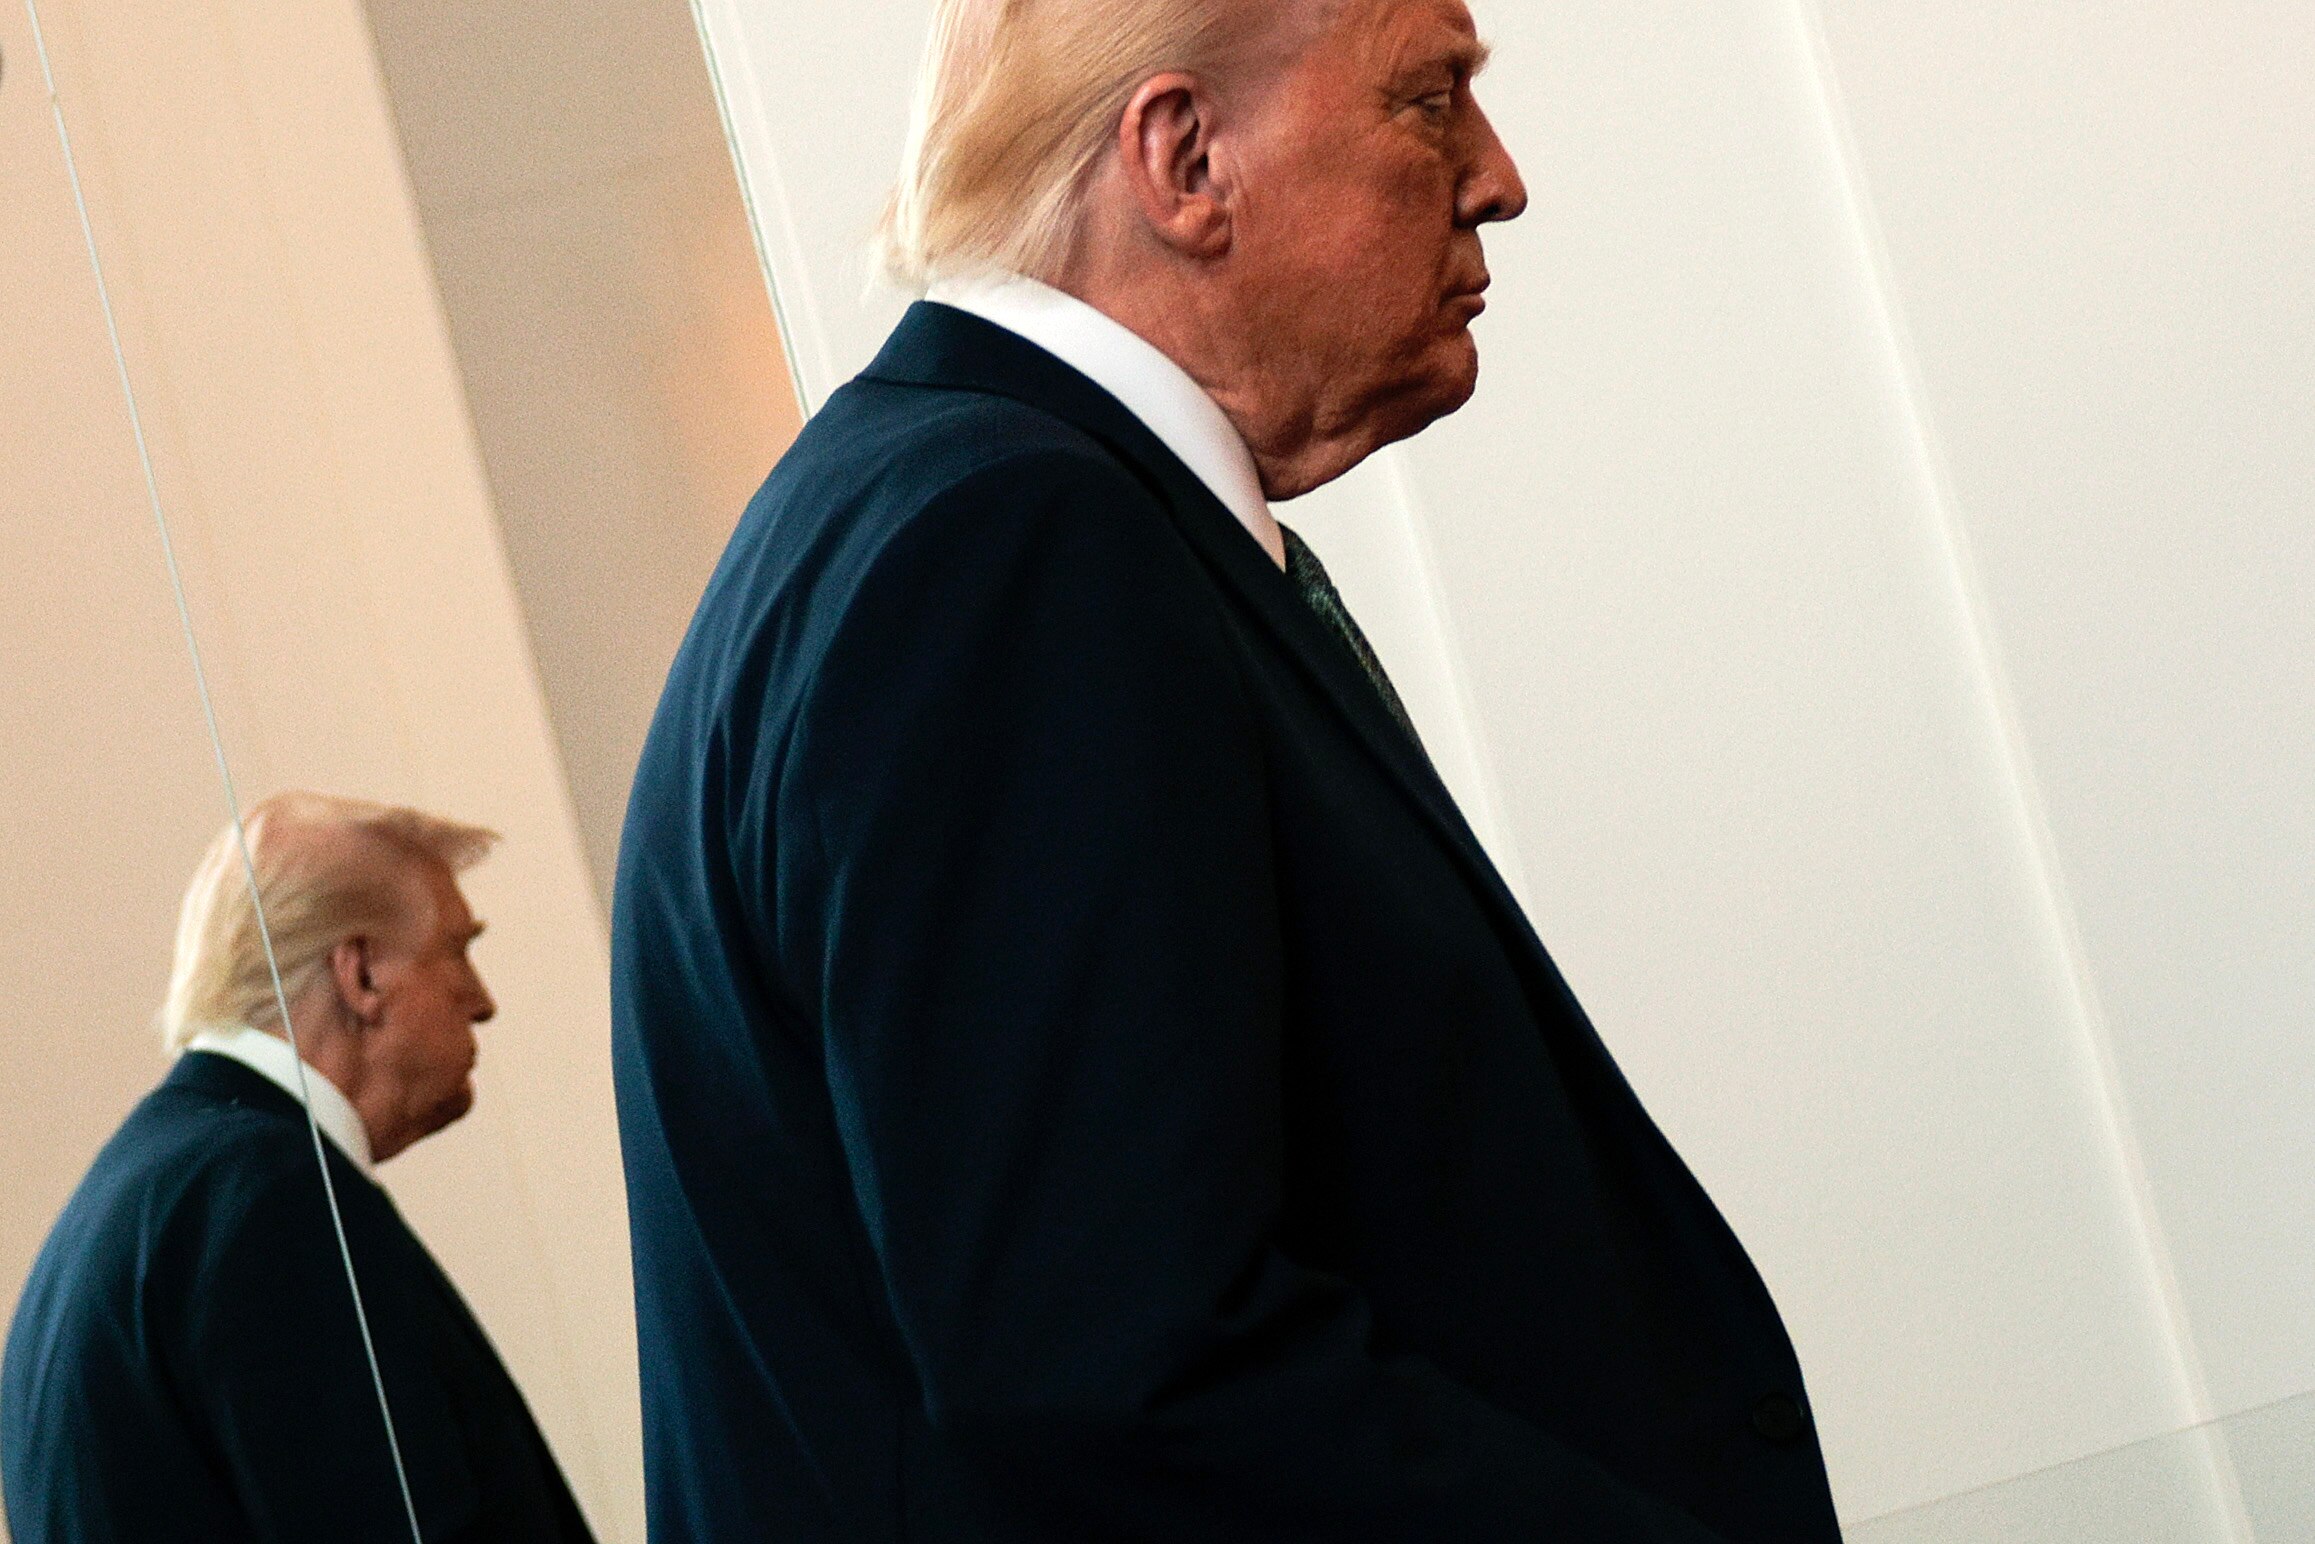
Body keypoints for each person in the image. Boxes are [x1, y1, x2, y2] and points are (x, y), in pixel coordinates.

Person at [612, 0, 1845, 1538]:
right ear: (1184, 160)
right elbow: (1116, 1365)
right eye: (1428, 100)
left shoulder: (936, 504)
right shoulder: (1008, 547)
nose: (1497, 178)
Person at [2, 792, 596, 1544]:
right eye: (457, 950)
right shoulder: (268, 1198)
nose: (482, 1002)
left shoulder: (155, 1192)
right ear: (361, 975)